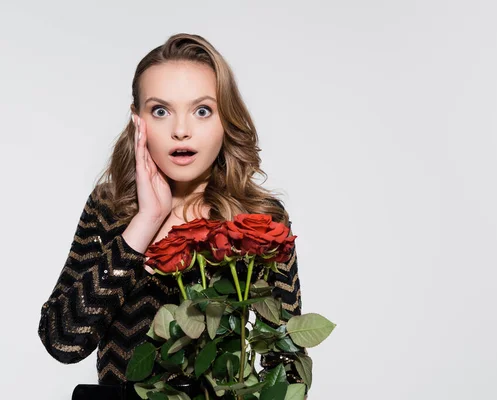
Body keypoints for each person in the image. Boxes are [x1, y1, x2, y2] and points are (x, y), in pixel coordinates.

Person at [37, 33, 306, 399]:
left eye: (202, 110)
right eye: (161, 110)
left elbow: (287, 360)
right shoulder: (110, 207)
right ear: (138, 121)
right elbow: (62, 340)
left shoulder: (261, 220)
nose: (181, 130)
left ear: (226, 118)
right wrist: (145, 222)